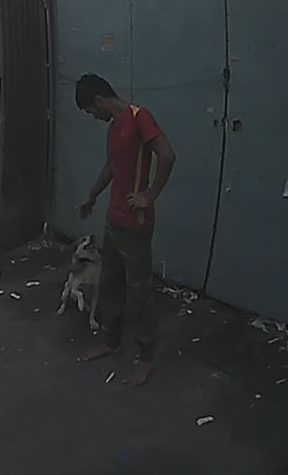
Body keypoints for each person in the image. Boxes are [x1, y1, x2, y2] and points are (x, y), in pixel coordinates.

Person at [73, 73, 176, 386]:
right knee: (109, 286)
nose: (93, 117)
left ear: (99, 101)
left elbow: (167, 154)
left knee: (139, 293)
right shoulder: (113, 127)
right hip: (113, 220)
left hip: (136, 224)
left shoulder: (139, 117)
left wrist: (149, 195)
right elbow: (111, 166)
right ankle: (111, 341)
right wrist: (92, 195)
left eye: (91, 111)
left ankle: (146, 357)